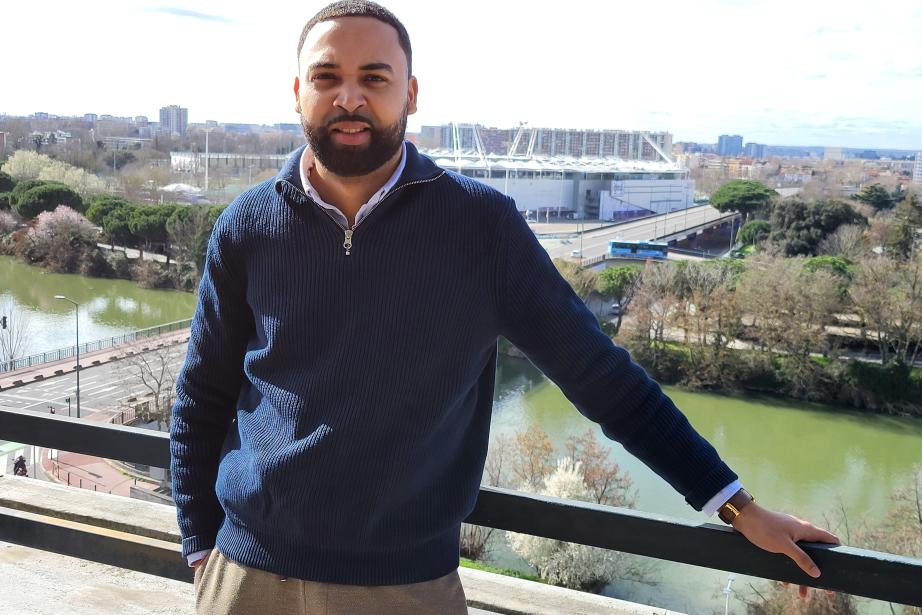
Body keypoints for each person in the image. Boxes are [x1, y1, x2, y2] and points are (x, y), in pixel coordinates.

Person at [169, 2, 840, 613]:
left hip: (404, 588)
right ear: (297, 93)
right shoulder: (247, 225)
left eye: (375, 77)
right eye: (326, 76)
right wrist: (201, 545)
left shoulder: (479, 227)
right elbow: (202, 396)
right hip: (245, 577)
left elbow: (602, 380)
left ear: (411, 92)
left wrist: (735, 503)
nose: (349, 97)